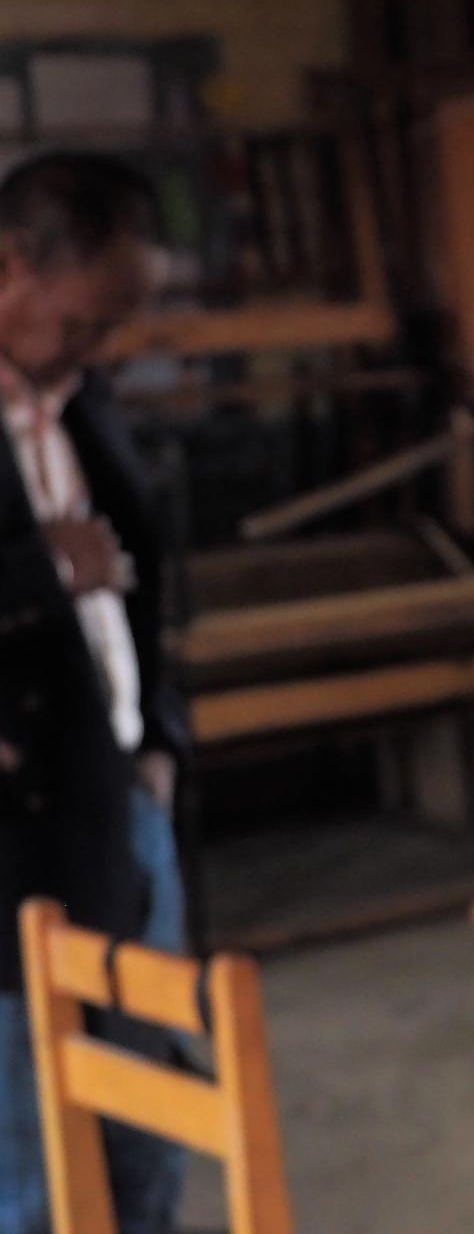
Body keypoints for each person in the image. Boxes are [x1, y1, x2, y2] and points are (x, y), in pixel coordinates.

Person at [0, 152, 189, 1234]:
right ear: (10, 264)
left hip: (120, 800)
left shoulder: (78, 396)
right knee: (29, 1167)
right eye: (81, 321)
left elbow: (144, 578)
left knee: (143, 1127)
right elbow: (71, 566)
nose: (96, 348)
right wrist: (39, 571)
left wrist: (158, 743)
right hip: (13, 845)